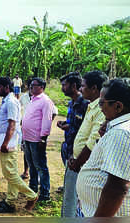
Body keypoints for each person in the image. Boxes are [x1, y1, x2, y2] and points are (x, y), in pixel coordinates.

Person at [77, 78, 130, 217]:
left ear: (118, 107)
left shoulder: (121, 133)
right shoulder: (119, 128)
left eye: (101, 103)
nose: (100, 108)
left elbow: (117, 187)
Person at [0, 77, 38, 213]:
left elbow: (12, 124)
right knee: (11, 172)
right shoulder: (7, 101)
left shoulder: (11, 102)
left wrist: (5, 143)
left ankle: (31, 195)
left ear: (7, 87)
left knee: (10, 174)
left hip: (9, 142)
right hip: (5, 140)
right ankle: (10, 201)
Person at [66, 71, 107, 216]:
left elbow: (92, 143)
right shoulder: (91, 106)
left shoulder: (101, 110)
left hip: (85, 165)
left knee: (84, 204)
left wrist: (77, 162)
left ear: (94, 88)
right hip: (78, 161)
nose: (80, 89)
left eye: (83, 86)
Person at [57, 72, 89, 217]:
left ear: (74, 86)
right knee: (71, 188)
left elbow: (86, 132)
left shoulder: (85, 105)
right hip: (69, 149)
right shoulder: (72, 104)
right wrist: (66, 125)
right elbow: (75, 125)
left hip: (79, 156)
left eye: (65, 85)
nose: (62, 88)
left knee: (75, 192)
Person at [22, 77, 54, 201]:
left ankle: (45, 193)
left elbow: (47, 120)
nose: (31, 87)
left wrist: (43, 139)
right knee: (31, 165)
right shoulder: (32, 99)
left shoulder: (45, 101)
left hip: (37, 140)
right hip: (28, 138)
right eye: (30, 85)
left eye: (34, 85)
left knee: (40, 166)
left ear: (41, 87)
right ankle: (33, 188)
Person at [19, 79, 32, 180]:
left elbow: (54, 111)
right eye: (31, 86)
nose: (32, 89)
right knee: (26, 150)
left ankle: (37, 175)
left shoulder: (42, 99)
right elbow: (19, 109)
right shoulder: (23, 97)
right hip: (25, 128)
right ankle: (26, 171)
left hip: (37, 130)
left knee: (37, 153)